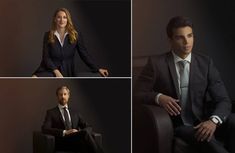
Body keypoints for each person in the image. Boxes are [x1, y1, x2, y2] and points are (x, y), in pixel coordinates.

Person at [135, 16, 235, 153]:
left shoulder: (206, 63)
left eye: (190, 35)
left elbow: (223, 99)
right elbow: (136, 94)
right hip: (179, 124)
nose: (187, 42)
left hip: (204, 117)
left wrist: (213, 121)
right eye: (180, 37)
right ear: (170, 40)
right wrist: (159, 97)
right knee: (207, 139)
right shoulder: (156, 64)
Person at [32, 8, 109, 77]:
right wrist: (56, 71)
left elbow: (84, 54)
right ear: (55, 19)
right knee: (34, 78)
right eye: (59, 17)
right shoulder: (47, 35)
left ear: (68, 19)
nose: (62, 20)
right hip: (49, 69)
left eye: (64, 17)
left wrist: (97, 69)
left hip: (67, 70)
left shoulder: (76, 35)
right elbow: (46, 58)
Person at [42, 86, 104, 153]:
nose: (63, 97)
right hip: (62, 142)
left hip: (76, 141)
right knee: (86, 138)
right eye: (60, 94)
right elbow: (45, 128)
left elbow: (88, 126)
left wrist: (79, 132)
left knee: (85, 134)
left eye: (65, 94)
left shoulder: (75, 112)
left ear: (68, 96)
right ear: (57, 96)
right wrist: (65, 132)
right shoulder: (51, 112)